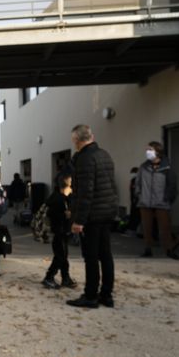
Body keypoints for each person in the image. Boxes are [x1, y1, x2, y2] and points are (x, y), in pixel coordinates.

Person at [67, 125, 118, 309]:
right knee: (106, 255)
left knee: (91, 256)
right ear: (92, 136)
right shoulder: (104, 154)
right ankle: (106, 294)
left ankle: (90, 295)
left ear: (77, 140)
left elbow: (85, 192)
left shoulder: (84, 159)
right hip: (107, 211)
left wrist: (79, 220)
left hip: (92, 215)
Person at [135, 141, 179, 260]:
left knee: (165, 228)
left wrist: (167, 199)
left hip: (162, 203)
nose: (147, 152)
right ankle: (148, 249)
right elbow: (138, 182)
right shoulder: (143, 167)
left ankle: (169, 249)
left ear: (158, 151)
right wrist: (139, 195)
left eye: (149, 149)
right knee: (147, 228)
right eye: (146, 150)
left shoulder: (167, 168)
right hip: (145, 202)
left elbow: (172, 186)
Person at [41, 173, 78, 289]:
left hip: (63, 231)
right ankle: (49, 277)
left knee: (63, 255)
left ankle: (65, 278)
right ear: (66, 185)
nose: (72, 187)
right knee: (60, 256)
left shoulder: (65, 197)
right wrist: (65, 214)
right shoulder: (57, 198)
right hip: (58, 231)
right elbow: (52, 214)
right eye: (71, 184)